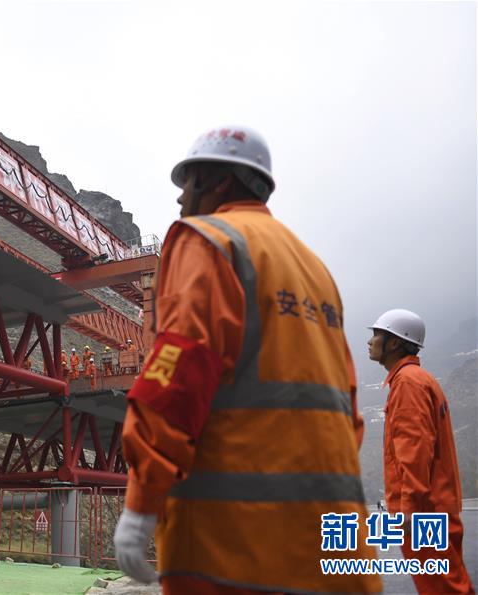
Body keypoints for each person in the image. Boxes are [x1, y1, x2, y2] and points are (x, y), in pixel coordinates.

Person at [114, 125, 380, 594]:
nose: (180, 198)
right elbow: (346, 411)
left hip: (233, 551)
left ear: (219, 182)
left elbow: (176, 378)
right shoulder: (315, 270)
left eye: (188, 182)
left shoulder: (208, 240)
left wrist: (141, 503)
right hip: (335, 549)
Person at [367, 309, 474, 595]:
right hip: (435, 506)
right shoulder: (419, 379)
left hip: (424, 512)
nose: (370, 341)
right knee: (449, 585)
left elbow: (414, 452)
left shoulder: (407, 383)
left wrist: (410, 510)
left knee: (444, 589)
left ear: (394, 342)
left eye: (376, 334)